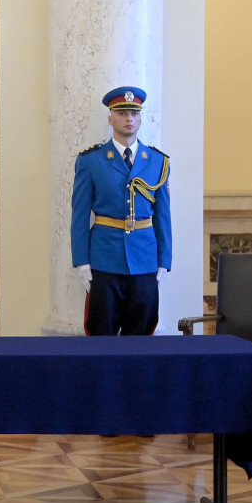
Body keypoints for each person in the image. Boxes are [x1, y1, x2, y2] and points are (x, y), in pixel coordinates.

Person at [71, 86, 171, 336]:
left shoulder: (158, 161)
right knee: (101, 332)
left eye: (134, 114)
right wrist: (81, 260)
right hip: (105, 258)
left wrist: (164, 259)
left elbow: (163, 216)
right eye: (122, 113)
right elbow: (80, 215)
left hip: (145, 258)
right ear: (110, 118)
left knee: (141, 332)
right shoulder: (91, 160)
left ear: (140, 118)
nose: (129, 119)